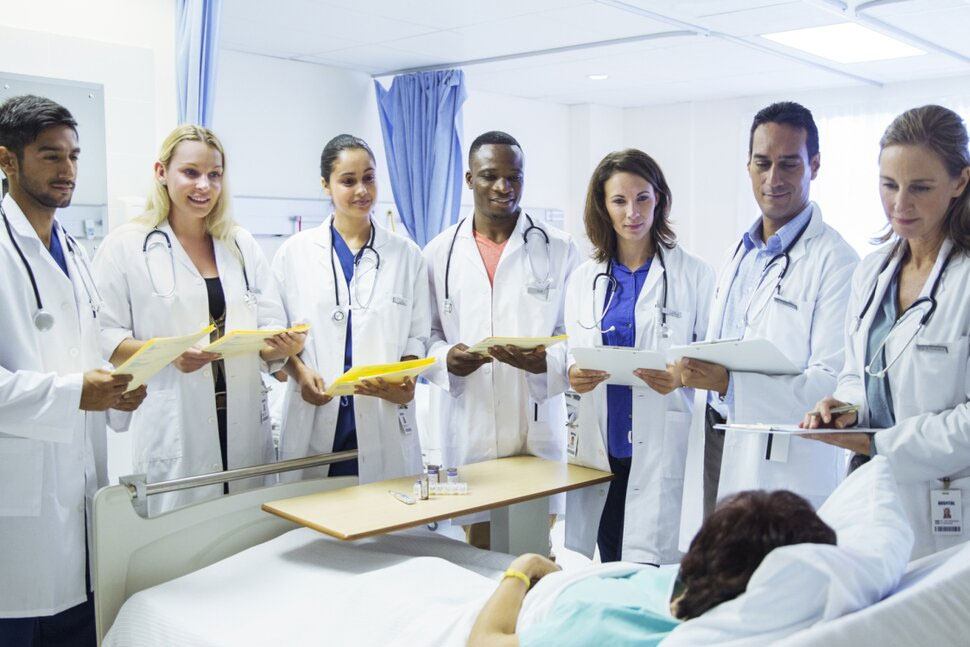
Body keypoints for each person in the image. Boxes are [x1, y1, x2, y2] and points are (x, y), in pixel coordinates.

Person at [92, 125, 302, 515]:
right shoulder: (125, 246)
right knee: (184, 535)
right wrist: (166, 353)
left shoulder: (239, 243)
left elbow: (270, 320)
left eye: (214, 174)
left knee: (248, 529)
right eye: (190, 172)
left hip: (242, 417)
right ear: (161, 172)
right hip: (175, 420)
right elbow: (103, 333)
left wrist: (280, 347)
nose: (204, 185)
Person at [0, 95, 147, 645]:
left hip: (81, 492)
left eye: (74, 156)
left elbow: (84, 353)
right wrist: (74, 394)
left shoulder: (75, 250)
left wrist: (115, 391)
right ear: (7, 160)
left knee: (81, 622)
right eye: (50, 156)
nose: (67, 170)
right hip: (17, 504)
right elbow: (66, 382)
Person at [678, 101, 859, 545]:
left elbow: (831, 385)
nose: (773, 179)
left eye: (789, 164)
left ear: (815, 165)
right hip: (718, 441)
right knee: (718, 570)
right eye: (762, 163)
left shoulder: (837, 262)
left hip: (784, 459)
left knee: (776, 574)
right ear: (748, 166)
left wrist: (730, 385)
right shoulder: (737, 253)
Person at [802, 104, 970, 559]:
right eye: (889, 184)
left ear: (960, 181)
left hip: (949, 504)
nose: (900, 203)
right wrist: (846, 409)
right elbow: (859, 374)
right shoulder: (872, 272)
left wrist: (879, 443)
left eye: (920, 187)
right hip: (873, 494)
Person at [424, 131, 580, 549]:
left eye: (514, 177)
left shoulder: (559, 248)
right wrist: (445, 359)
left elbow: (575, 332)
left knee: (534, 547)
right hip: (471, 422)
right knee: (479, 551)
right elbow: (427, 335)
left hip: (534, 421)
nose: (503, 187)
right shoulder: (439, 252)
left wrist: (544, 362)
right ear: (469, 179)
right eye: (490, 176)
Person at [562, 149, 714, 564]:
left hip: (662, 442)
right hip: (603, 447)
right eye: (619, 201)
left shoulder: (694, 274)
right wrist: (571, 371)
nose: (632, 212)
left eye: (642, 198)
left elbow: (713, 356)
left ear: (659, 199)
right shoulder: (584, 278)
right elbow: (569, 348)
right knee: (610, 566)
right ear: (603, 206)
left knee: (657, 570)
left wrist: (682, 375)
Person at [468, 489, 837, 647]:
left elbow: (484, 643)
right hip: (566, 583)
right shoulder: (793, 602)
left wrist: (523, 567)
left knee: (437, 559)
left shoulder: (602, 627)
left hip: (515, 603)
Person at [272, 134, 428, 480]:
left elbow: (418, 336)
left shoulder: (407, 255)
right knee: (314, 509)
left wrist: (406, 378)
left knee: (383, 509)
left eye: (369, 178)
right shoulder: (294, 254)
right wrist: (298, 372)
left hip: (382, 412)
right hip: (316, 411)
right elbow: (275, 335)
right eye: (348, 181)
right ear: (325, 185)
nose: (362, 190)